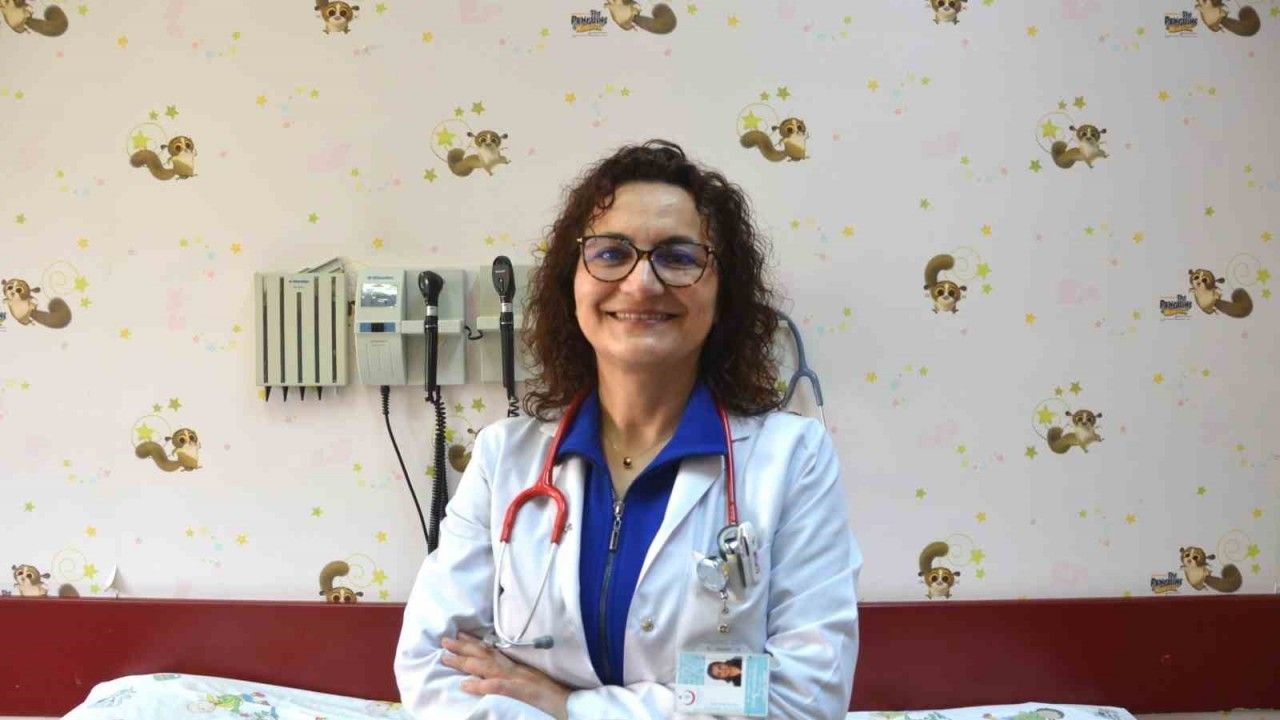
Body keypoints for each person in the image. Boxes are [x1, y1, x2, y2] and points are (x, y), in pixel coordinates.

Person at [394, 139, 863, 719]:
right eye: (612, 253)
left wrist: (568, 705)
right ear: (572, 282)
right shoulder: (503, 459)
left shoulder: (792, 459)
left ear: (723, 291)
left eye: (679, 256)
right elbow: (435, 670)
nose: (641, 284)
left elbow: (802, 695)